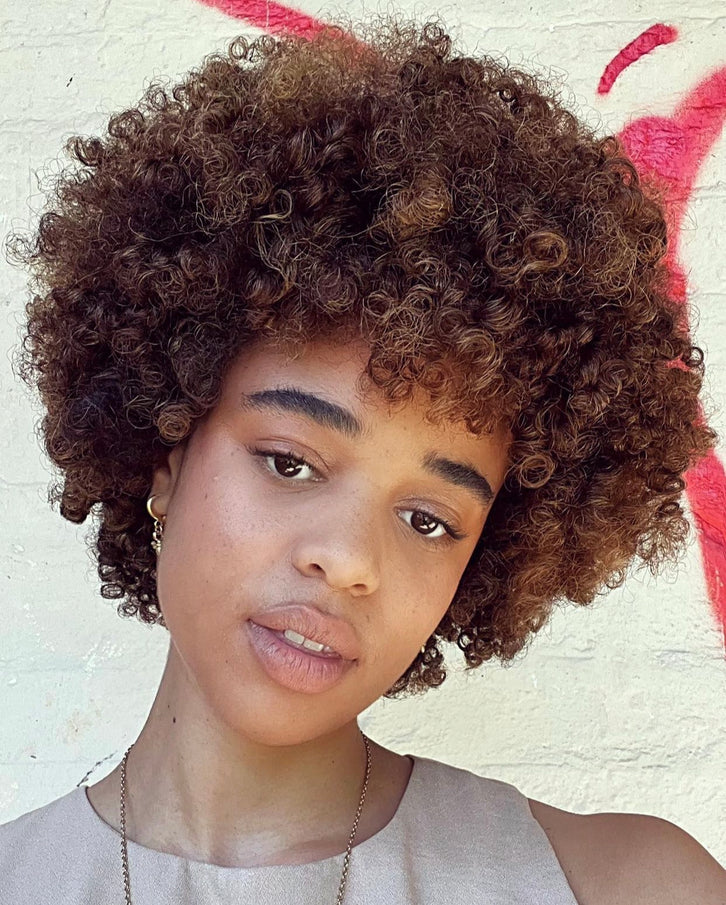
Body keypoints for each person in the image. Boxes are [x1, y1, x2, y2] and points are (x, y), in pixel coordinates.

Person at [1, 12, 724, 904]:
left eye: (428, 519)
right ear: (166, 455)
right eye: (289, 463)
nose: (347, 560)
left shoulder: (626, 887)